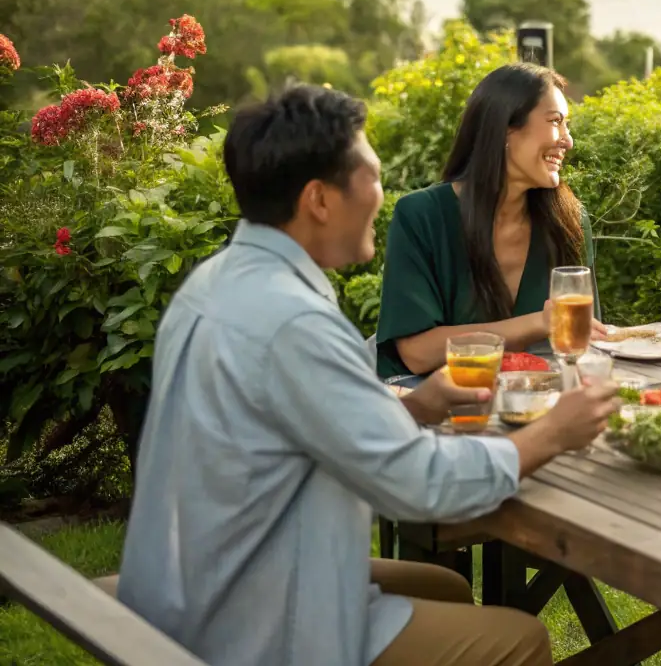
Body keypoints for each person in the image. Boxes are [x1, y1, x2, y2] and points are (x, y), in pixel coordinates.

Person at [117, 84, 620, 666]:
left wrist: (418, 406)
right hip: (251, 621)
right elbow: (419, 483)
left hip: (202, 573)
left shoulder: (216, 283)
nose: (382, 198)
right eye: (372, 177)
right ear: (320, 200)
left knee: (453, 591)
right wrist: (554, 433)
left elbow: (302, 423)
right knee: (522, 639)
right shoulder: (293, 322)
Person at [375, 62, 604, 379]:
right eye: (556, 122)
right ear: (506, 128)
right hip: (435, 408)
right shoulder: (422, 216)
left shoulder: (569, 221)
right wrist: (538, 322)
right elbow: (417, 353)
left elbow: (582, 343)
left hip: (538, 402)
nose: (568, 141)